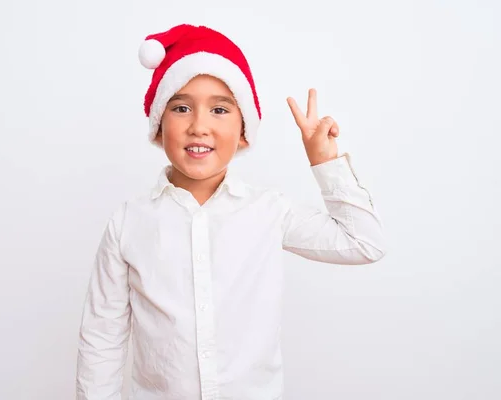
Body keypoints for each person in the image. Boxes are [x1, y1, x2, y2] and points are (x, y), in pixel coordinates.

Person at [76, 23, 386, 400]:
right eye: (181, 107)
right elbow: (101, 342)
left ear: (244, 131)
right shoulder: (129, 222)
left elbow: (364, 243)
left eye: (220, 109)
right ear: (159, 126)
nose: (199, 126)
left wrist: (325, 162)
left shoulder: (268, 210)